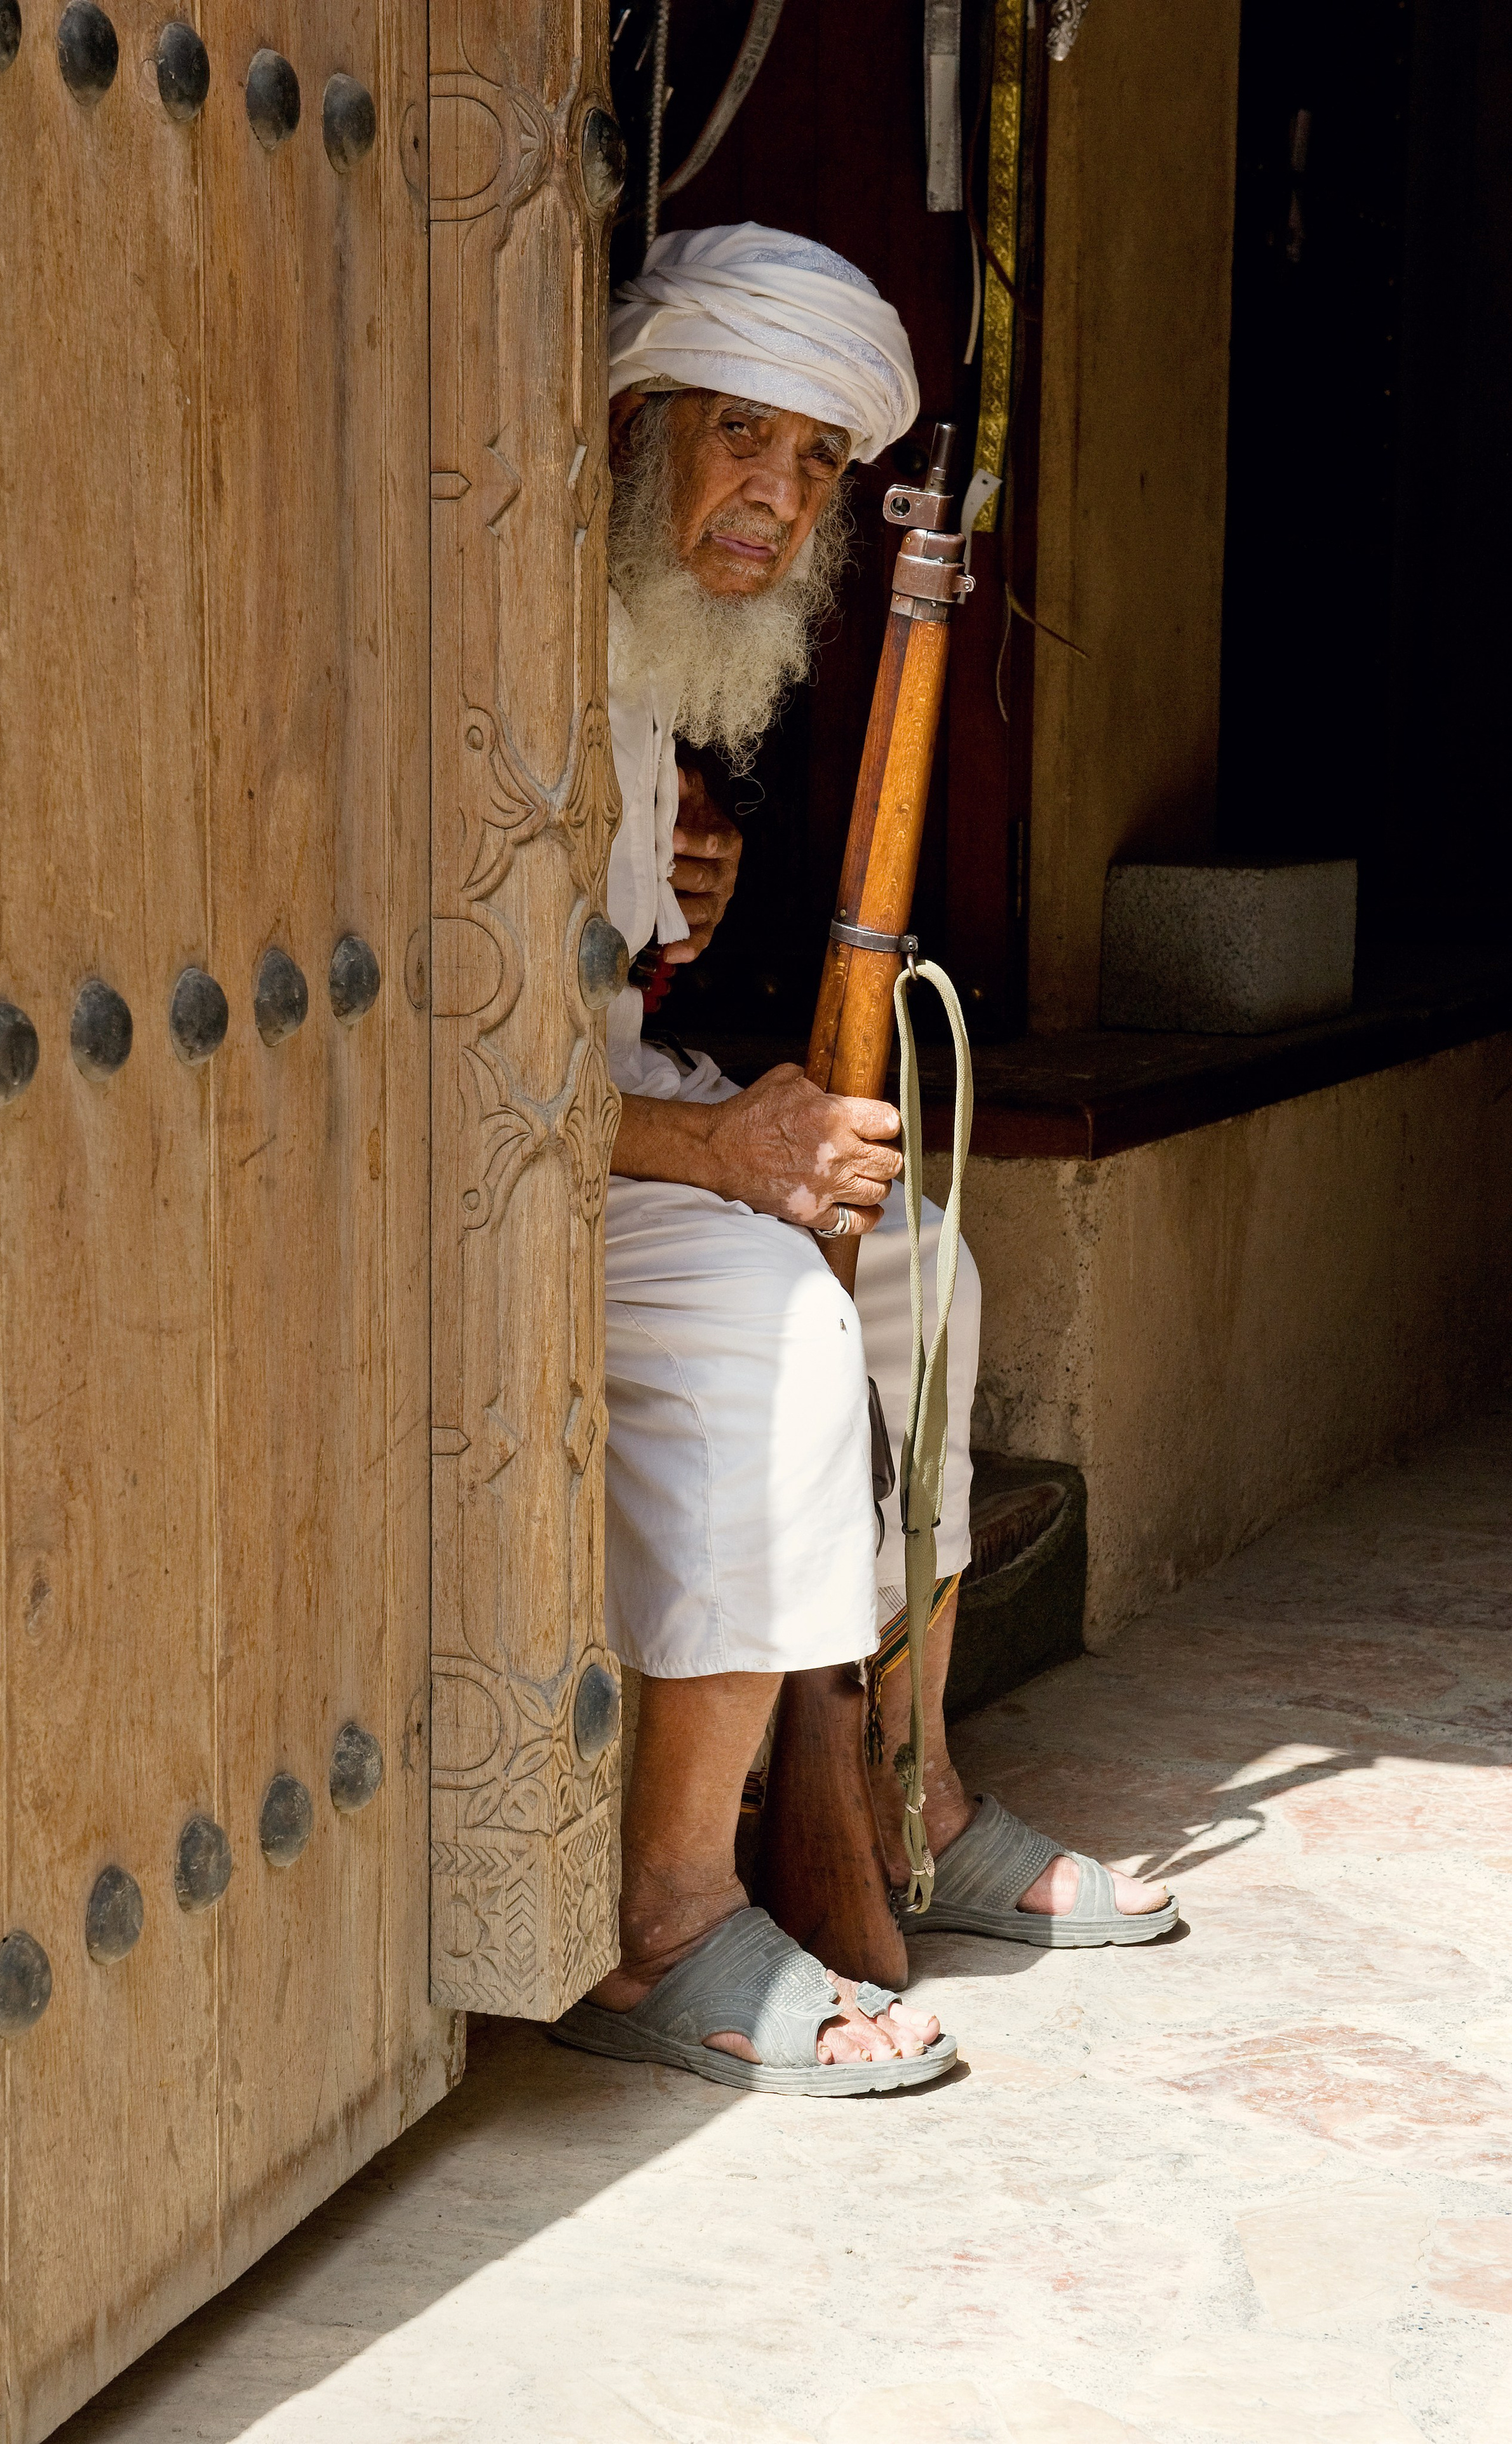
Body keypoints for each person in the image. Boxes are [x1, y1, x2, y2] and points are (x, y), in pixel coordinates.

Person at [553, 226, 1175, 2096]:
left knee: (920, 1271)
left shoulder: (652, 647)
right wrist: (719, 1145)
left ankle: (910, 1791)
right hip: (479, 1175)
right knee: (777, 1309)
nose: (779, 493)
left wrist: (667, 897)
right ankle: (665, 1918)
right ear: (637, 421)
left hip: (603, 1113)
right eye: (743, 433)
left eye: (818, 462)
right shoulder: (486, 629)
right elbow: (427, 1061)